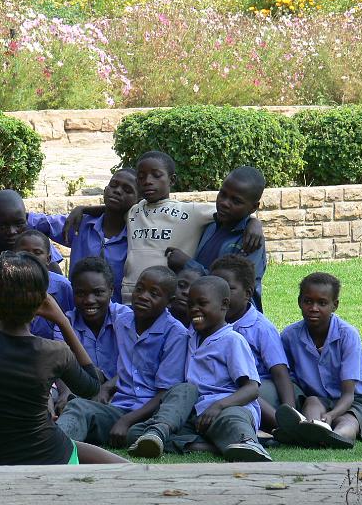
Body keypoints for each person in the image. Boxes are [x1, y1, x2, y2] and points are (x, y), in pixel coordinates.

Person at [0, 251, 128, 465]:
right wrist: (62, 321)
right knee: (116, 464)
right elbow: (91, 387)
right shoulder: (56, 351)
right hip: (53, 456)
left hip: (2, 458)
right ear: (42, 302)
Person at [66, 152, 262, 304]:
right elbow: (113, 208)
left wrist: (254, 221)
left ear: (172, 180)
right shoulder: (134, 211)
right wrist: (83, 209)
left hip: (167, 297)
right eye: (141, 177)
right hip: (129, 296)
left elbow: (228, 211)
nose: (147, 181)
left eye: (156, 175)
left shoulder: (190, 212)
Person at [128, 276, 271, 462]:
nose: (194, 309)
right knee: (135, 433)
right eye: (190, 305)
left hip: (226, 408)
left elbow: (251, 389)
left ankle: (247, 442)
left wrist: (219, 406)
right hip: (195, 413)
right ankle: (165, 435)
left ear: (224, 305)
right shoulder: (189, 337)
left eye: (202, 303)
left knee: (233, 420)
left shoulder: (232, 340)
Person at [57, 266, 188, 449]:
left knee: (138, 432)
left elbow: (165, 392)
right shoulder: (122, 321)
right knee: (79, 407)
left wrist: (126, 421)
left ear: (169, 301)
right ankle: (54, 449)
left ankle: (168, 440)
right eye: (139, 289)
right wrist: (108, 388)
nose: (143, 296)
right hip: (118, 408)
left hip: (153, 415)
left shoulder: (176, 334)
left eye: (154, 293)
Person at [275, 273, 362, 449]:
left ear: (334, 305)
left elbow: (348, 395)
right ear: (299, 301)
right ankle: (313, 430)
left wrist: (331, 416)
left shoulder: (348, 335)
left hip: (353, 400)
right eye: (308, 301)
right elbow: (287, 376)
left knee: (347, 420)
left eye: (322, 303)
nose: (314, 308)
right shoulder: (290, 336)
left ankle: (338, 436)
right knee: (312, 403)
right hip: (316, 397)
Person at [166, 166, 267, 310]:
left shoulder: (251, 240)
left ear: (253, 207)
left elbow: (232, 287)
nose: (224, 203)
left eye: (236, 201)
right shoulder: (210, 226)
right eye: (223, 194)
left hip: (233, 320)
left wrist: (187, 264)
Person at [210, 255, 292, 433]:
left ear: (248, 293)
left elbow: (280, 372)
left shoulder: (260, 327)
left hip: (260, 387)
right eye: (215, 289)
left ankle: (287, 427)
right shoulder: (209, 323)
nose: (221, 296)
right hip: (223, 387)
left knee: (243, 392)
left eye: (229, 289)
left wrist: (290, 411)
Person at [33, 169, 140, 303]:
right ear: (105, 189)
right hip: (76, 315)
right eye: (113, 185)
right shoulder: (82, 224)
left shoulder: (138, 236)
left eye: (127, 190)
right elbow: (42, 223)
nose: (117, 191)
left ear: (139, 200)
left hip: (118, 317)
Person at [52, 257, 122, 407]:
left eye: (98, 293)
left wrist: (106, 388)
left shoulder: (126, 319)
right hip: (79, 388)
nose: (89, 300)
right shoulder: (66, 323)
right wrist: (65, 392)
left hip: (120, 389)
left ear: (111, 290)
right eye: (81, 293)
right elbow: (60, 365)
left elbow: (135, 366)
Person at [0, 189, 64, 293]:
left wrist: (8, 275)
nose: (12, 231)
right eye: (3, 226)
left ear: (26, 219)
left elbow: (58, 284)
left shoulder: (38, 245)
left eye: (19, 224)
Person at [13, 230, 74, 339]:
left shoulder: (63, 287)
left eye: (37, 253)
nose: (30, 257)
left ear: (48, 259)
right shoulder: (6, 284)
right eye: (24, 252)